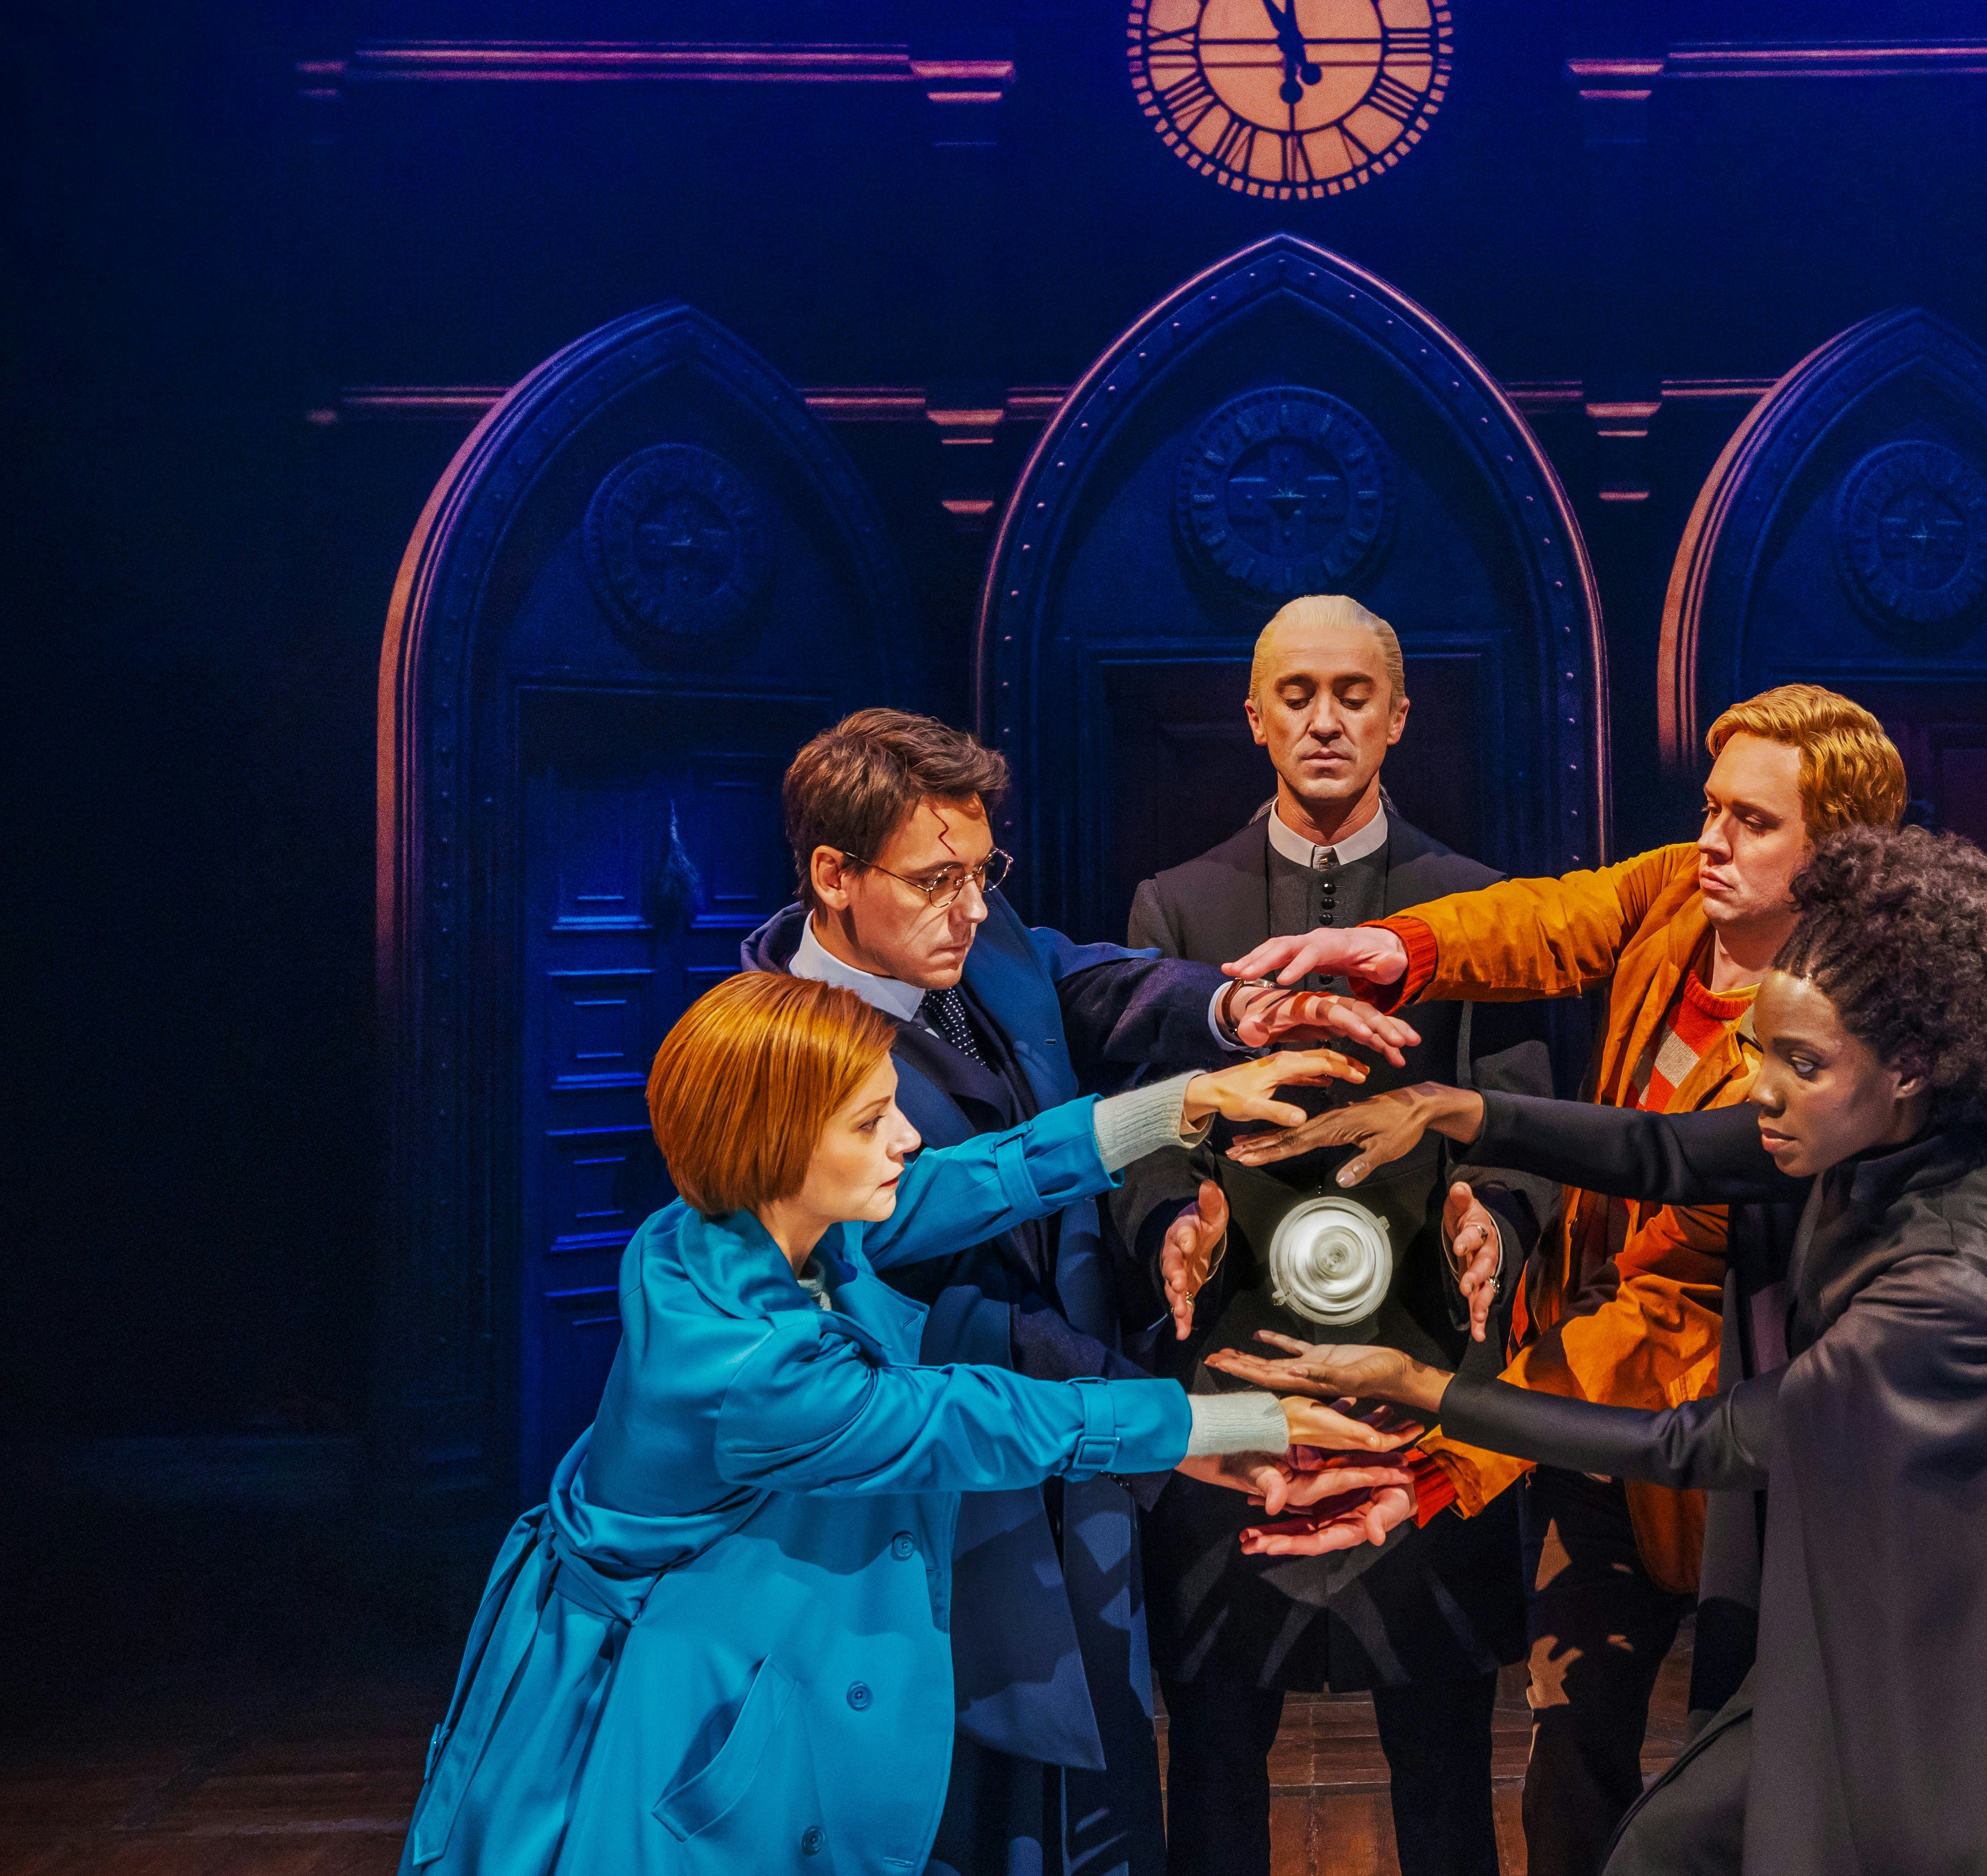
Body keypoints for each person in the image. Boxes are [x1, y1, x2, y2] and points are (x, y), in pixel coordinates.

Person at [1208, 828, 1987, 1876]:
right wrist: (1458, 1114)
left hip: (1965, 1628)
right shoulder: (1880, 1119)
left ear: (1910, 1064)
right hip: (1882, 1576)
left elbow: (1701, 1441)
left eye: (1799, 1061)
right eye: (1760, 1051)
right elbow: (1668, 1147)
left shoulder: (1946, 1288)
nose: (1762, 1088)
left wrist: (1433, 1392)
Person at [399, 972, 1410, 1876]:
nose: (908, 1137)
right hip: (678, 1703)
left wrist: (1177, 1106)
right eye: (871, 1119)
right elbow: (965, 1417)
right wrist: (1232, 1421)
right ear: (779, 1142)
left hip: (753, 1646)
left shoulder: (746, 1220)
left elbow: (978, 1177)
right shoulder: (750, 1369)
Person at [1223, 684, 1907, 1876]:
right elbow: (1555, 918)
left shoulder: (1830, 1043)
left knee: (1734, 1785)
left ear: (1839, 857)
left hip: (1740, 1444)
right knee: (1567, 1765)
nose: (1710, 840)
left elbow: (1662, 1298)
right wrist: (1400, 946)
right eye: (1708, 808)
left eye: (1752, 822)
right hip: (1589, 1416)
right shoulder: (1680, 904)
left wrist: (1454, 1457)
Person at [738, 709, 1419, 1876]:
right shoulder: (778, 1064)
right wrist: (1171, 1416)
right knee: (967, 1814)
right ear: (833, 877)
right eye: (935, 880)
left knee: (1105, 1804)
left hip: (1074, 1465)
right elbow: (948, 1269)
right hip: (935, 1516)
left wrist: (1227, 1010)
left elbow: (1079, 981)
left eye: (981, 871)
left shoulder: (975, 930)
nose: (970, 906)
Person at [1119, 594, 1557, 1876]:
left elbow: (1525, 1130)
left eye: (1352, 693)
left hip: (1419, 1388)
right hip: (1236, 1398)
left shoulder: (1474, 906)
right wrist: (1165, 1230)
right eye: (1296, 693)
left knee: (1441, 1775)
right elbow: (1140, 1132)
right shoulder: (1176, 906)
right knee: (1209, 1768)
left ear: (1399, 716)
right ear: (1253, 718)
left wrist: (1502, 1226)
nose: (1325, 717)